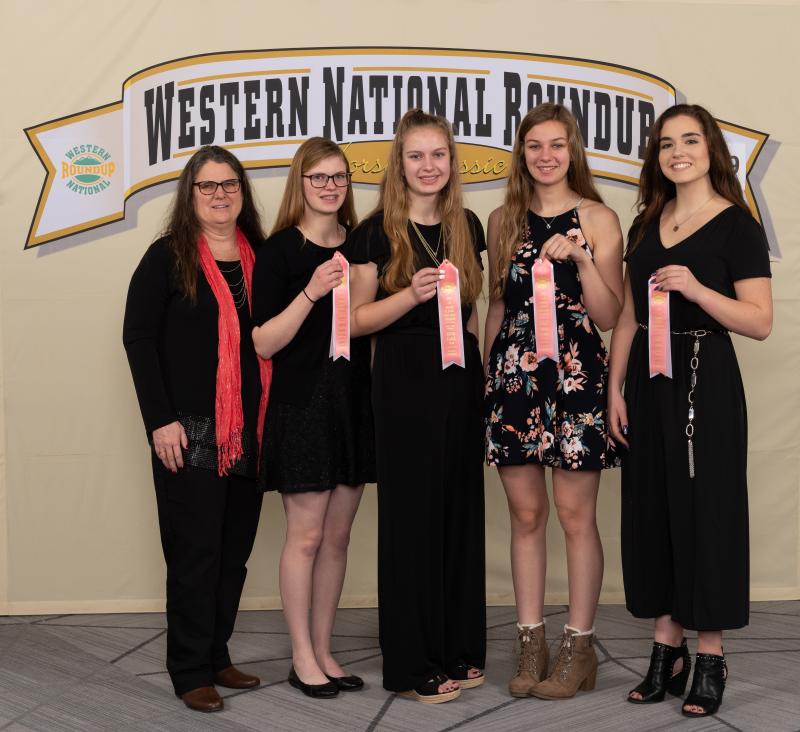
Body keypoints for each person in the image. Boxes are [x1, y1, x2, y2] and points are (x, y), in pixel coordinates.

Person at [607, 104, 772, 717]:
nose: (678, 152)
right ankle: (666, 647)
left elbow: (760, 321)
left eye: (691, 140)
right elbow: (629, 314)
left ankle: (710, 654)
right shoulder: (647, 222)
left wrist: (699, 290)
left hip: (706, 378)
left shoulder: (737, 226)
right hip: (648, 382)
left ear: (713, 152)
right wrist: (614, 387)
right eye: (667, 143)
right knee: (653, 507)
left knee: (707, 512)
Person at [123, 146, 271, 713]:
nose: (219, 195)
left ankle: (215, 654)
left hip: (249, 432)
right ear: (190, 194)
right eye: (207, 186)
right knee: (195, 554)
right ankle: (188, 669)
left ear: (241, 191)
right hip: (187, 432)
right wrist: (159, 420)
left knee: (233, 553)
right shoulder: (168, 256)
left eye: (228, 184)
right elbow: (138, 339)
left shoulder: (261, 256)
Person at [483, 103, 624, 699]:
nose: (546, 156)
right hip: (515, 377)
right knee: (526, 515)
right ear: (522, 153)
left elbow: (611, 314)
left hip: (576, 376)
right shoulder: (502, 219)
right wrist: (485, 380)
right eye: (534, 145)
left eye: (557, 145)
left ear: (573, 151)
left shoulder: (598, 217)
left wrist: (584, 259)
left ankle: (578, 646)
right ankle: (530, 642)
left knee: (574, 516)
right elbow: (497, 304)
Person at [349, 108, 486, 704]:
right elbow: (355, 322)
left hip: (460, 377)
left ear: (452, 161)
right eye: (416, 156)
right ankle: (411, 661)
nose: (428, 166)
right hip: (404, 380)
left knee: (459, 511)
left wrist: (480, 379)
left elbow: (472, 311)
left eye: (438, 154)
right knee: (412, 520)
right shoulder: (374, 232)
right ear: (399, 164)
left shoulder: (467, 225)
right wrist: (408, 296)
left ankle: (457, 645)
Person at [250, 137, 375, 699]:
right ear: (300, 182)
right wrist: (311, 291)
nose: (330, 186)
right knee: (305, 537)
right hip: (301, 405)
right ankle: (301, 656)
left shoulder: (363, 243)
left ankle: (324, 649)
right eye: (319, 177)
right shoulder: (279, 250)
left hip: (352, 403)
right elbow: (264, 342)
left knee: (337, 538)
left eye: (339, 176)